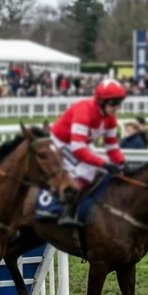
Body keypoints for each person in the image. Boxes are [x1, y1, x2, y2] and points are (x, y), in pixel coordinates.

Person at [49, 78, 127, 228]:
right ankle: (66, 211)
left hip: (76, 144)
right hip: (59, 142)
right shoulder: (83, 110)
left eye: (119, 103)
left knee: (98, 171)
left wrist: (122, 163)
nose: (116, 107)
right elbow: (78, 149)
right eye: (113, 103)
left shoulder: (111, 119)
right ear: (101, 102)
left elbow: (112, 147)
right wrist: (104, 164)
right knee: (86, 171)